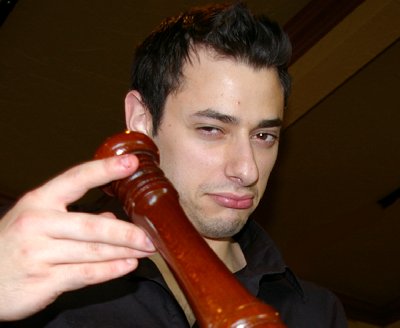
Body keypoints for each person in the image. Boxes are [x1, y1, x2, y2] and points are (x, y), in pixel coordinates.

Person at [0, 2, 347, 327]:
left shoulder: (317, 312)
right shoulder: (47, 276)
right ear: (141, 120)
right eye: (211, 129)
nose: (248, 170)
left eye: (264, 137)